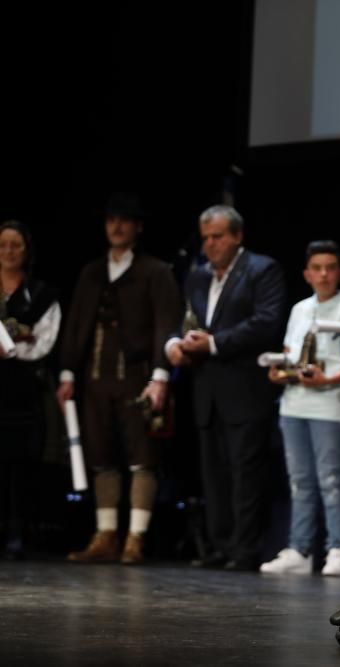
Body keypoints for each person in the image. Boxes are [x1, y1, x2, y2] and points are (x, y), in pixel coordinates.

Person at [57, 195, 182, 565]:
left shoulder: (156, 271)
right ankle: (106, 534)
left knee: (142, 457)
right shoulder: (92, 272)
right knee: (101, 455)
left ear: (137, 227)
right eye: (111, 220)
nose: (117, 227)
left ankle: (136, 537)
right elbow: (76, 324)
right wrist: (67, 371)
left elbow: (166, 323)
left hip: (136, 378)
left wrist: (160, 375)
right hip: (96, 378)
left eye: (125, 220)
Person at [166, 204, 285, 572]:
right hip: (206, 391)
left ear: (237, 236)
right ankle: (220, 545)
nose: (211, 245)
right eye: (206, 239)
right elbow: (185, 320)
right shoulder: (199, 276)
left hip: (245, 390)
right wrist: (175, 345)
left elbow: (266, 323)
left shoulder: (262, 270)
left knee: (245, 474)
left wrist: (214, 343)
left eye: (218, 237)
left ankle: (244, 549)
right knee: (214, 474)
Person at [260, 241, 340, 576]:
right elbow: (290, 351)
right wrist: (280, 370)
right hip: (294, 403)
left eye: (330, 267)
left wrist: (328, 379)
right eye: (317, 268)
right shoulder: (299, 309)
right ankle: (300, 548)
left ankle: (337, 547)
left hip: (329, 405)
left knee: (332, 478)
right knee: (299, 480)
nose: (323, 274)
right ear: (307, 274)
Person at [0, 221, 61, 559]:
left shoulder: (41, 295)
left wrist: (10, 349)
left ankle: (18, 531)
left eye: (15, 245)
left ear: (27, 251)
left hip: (23, 389)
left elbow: (44, 342)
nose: (8, 252)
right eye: (3, 245)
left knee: (22, 463)